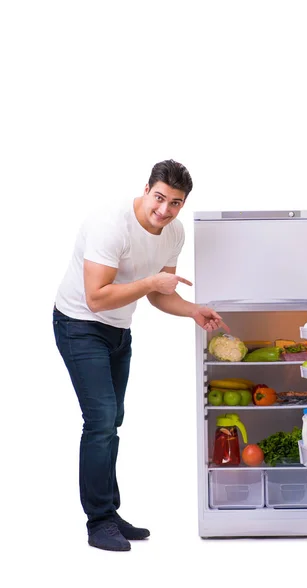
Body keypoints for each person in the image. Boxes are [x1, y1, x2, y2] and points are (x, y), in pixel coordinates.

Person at [53, 159, 229, 551]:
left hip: (118, 330)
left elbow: (159, 295)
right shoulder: (110, 224)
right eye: (159, 198)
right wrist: (151, 280)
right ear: (146, 188)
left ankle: (109, 511)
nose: (165, 211)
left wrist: (194, 310)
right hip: (79, 324)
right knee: (99, 421)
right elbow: (97, 298)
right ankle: (98, 521)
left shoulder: (174, 233)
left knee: (112, 418)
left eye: (176, 203)